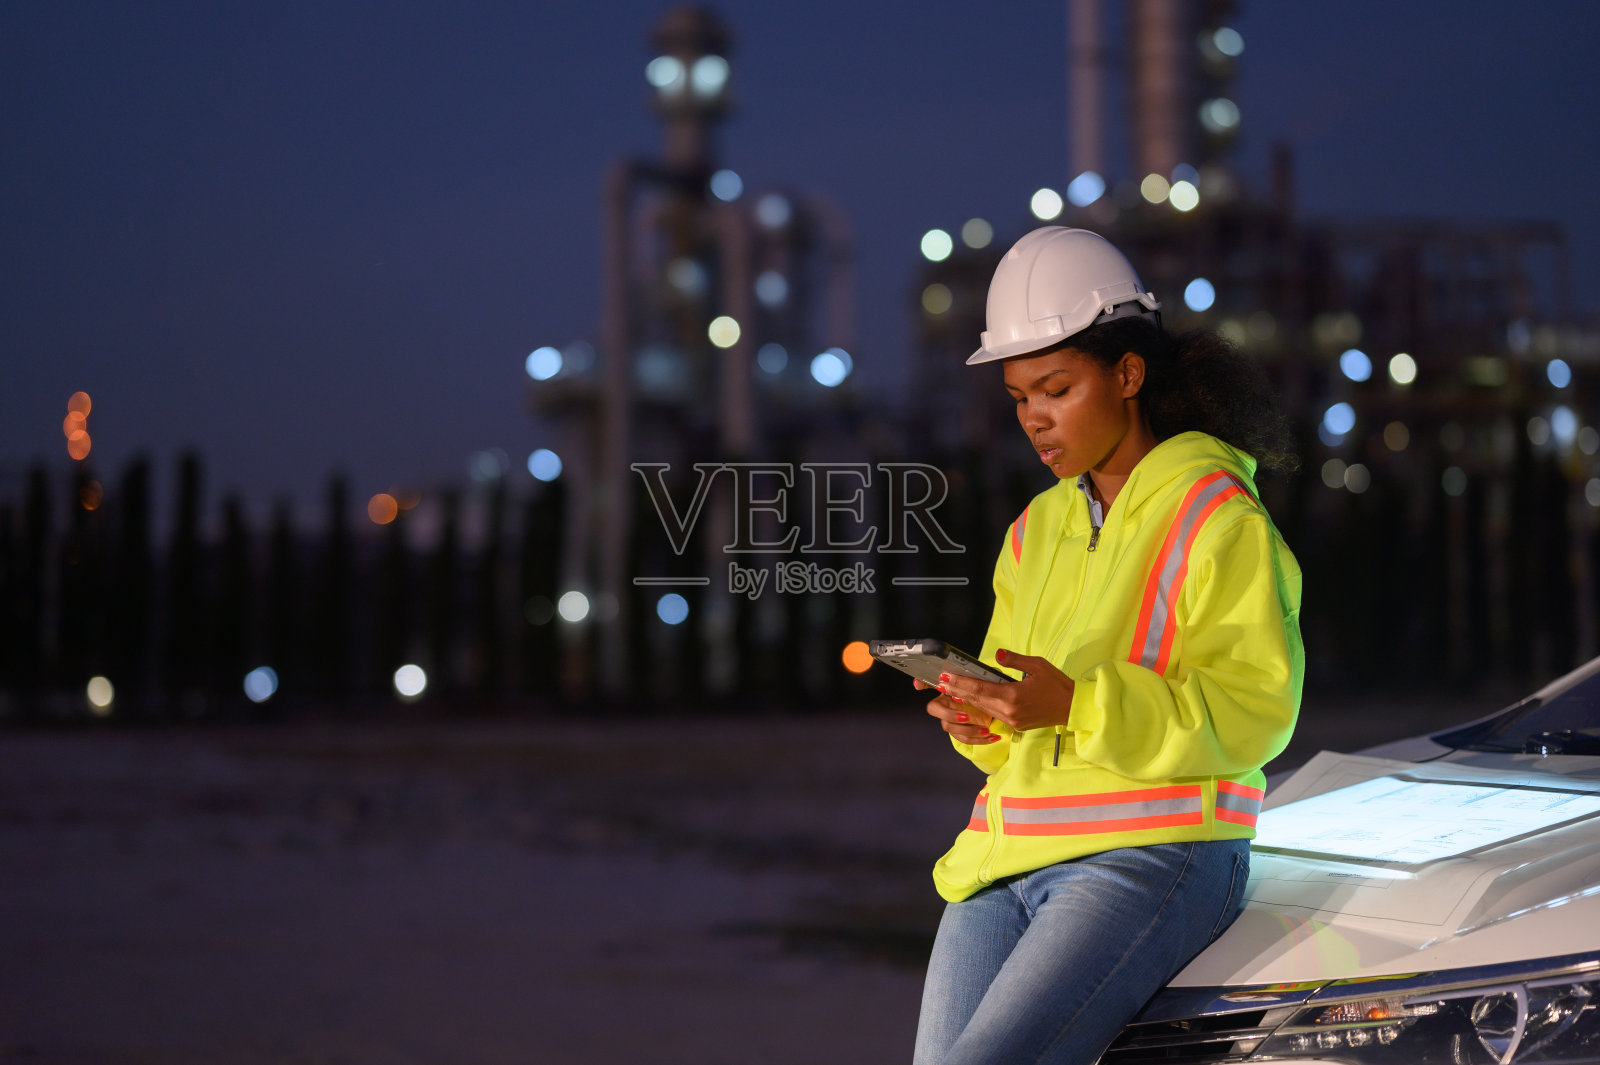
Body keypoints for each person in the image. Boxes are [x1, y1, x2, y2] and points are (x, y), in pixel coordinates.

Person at [910, 226, 1304, 1065]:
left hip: (1152, 852)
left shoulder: (1217, 515)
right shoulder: (1033, 531)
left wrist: (1077, 704)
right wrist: (983, 718)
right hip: (1004, 857)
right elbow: (1022, 719)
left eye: (1056, 388)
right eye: (1019, 396)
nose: (1035, 418)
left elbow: (1257, 710)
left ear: (1128, 375)